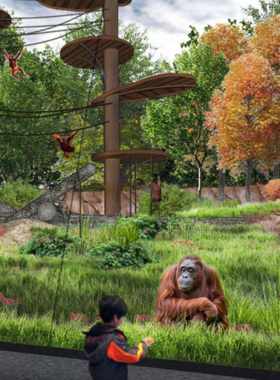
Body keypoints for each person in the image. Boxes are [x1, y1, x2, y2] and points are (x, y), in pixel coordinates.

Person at [83, 295, 154, 380]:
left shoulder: (94, 332)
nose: (123, 319)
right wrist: (144, 344)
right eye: (122, 316)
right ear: (116, 318)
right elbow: (132, 356)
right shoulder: (112, 341)